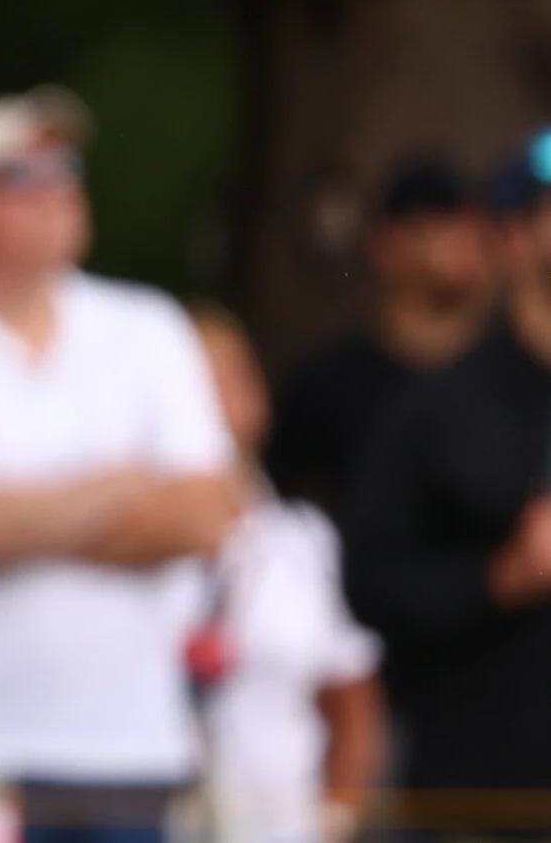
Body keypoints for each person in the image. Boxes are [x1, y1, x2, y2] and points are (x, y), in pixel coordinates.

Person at [0, 88, 241, 843]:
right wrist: (124, 485)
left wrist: (23, 516)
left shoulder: (149, 327)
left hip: (134, 756)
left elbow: (207, 517)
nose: (62, 187)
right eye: (28, 173)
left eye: (68, 168)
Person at [341, 128, 551, 794]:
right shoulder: (437, 407)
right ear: (514, 238)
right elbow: (364, 583)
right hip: (483, 792)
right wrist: (497, 579)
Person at [185, 308, 383, 843]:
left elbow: (354, 709)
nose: (212, 398)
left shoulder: (300, 542)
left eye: (230, 377)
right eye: (187, 378)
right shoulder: (108, 552)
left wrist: (334, 824)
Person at [264, 154, 493, 514]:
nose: (465, 237)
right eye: (439, 222)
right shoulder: (327, 387)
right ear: (385, 246)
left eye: (477, 224)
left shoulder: (516, 382)